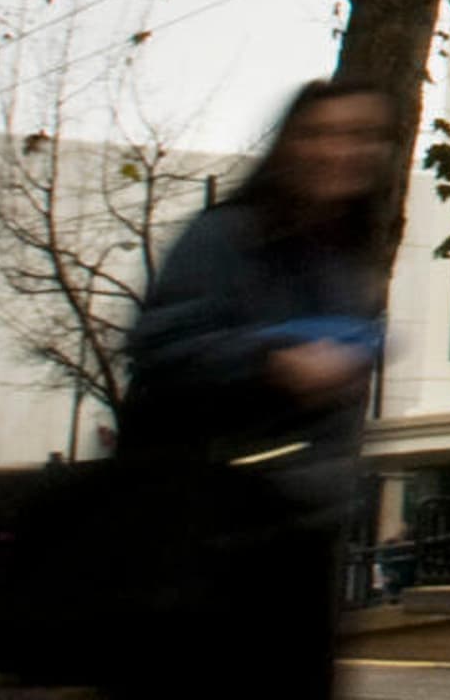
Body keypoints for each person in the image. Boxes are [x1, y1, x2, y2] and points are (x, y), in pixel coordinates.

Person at [117, 80, 394, 700]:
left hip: (300, 547)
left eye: (361, 136)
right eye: (322, 134)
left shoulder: (348, 260)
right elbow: (155, 346)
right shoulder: (227, 236)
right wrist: (272, 361)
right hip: (205, 542)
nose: (340, 151)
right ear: (290, 145)